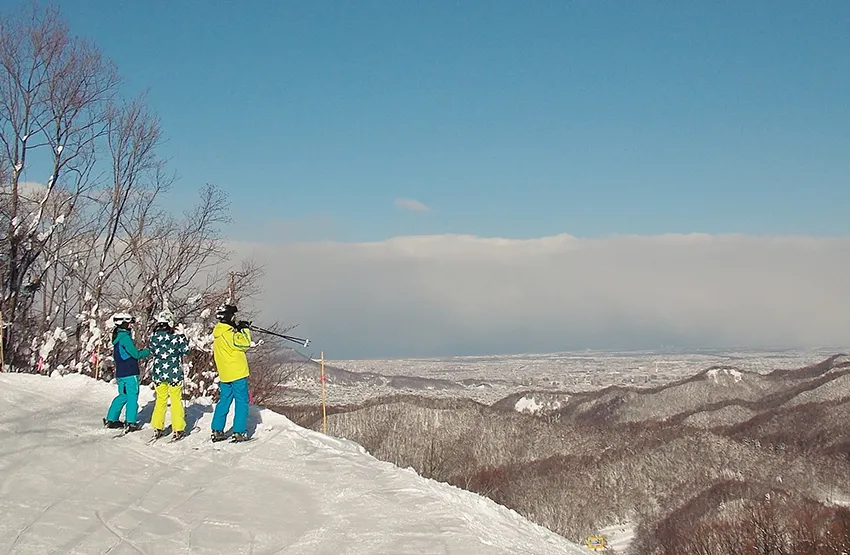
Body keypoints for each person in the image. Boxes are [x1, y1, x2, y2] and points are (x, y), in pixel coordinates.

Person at [210, 303, 253, 442]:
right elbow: (245, 344)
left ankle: (217, 429)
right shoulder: (229, 335)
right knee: (241, 402)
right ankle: (239, 431)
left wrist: (237, 328)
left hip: (225, 374)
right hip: (237, 373)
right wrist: (244, 330)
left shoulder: (218, 333)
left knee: (224, 401)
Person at [104, 312, 150, 432]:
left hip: (120, 373)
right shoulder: (125, 338)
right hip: (130, 372)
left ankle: (111, 419)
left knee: (123, 396)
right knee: (132, 397)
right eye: (129, 323)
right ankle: (131, 422)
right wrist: (146, 352)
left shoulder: (118, 337)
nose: (131, 325)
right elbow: (135, 354)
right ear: (123, 324)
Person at [149, 309, 190, 441]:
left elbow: (151, 350)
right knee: (175, 400)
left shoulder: (153, 338)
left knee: (160, 400)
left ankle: (157, 426)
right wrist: (182, 335)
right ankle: (178, 428)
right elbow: (185, 350)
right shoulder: (175, 338)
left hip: (158, 375)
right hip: (173, 374)